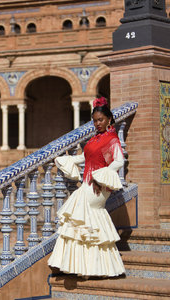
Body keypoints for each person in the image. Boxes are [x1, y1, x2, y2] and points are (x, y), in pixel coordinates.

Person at [48, 96, 125, 277]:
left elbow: (119, 161)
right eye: (95, 121)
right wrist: (67, 160)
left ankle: (91, 267)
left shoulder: (112, 139)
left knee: (83, 215)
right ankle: (89, 267)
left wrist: (102, 178)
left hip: (99, 185)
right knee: (86, 220)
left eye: (101, 120)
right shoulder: (94, 139)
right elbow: (85, 158)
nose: (98, 123)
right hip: (88, 181)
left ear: (109, 120)